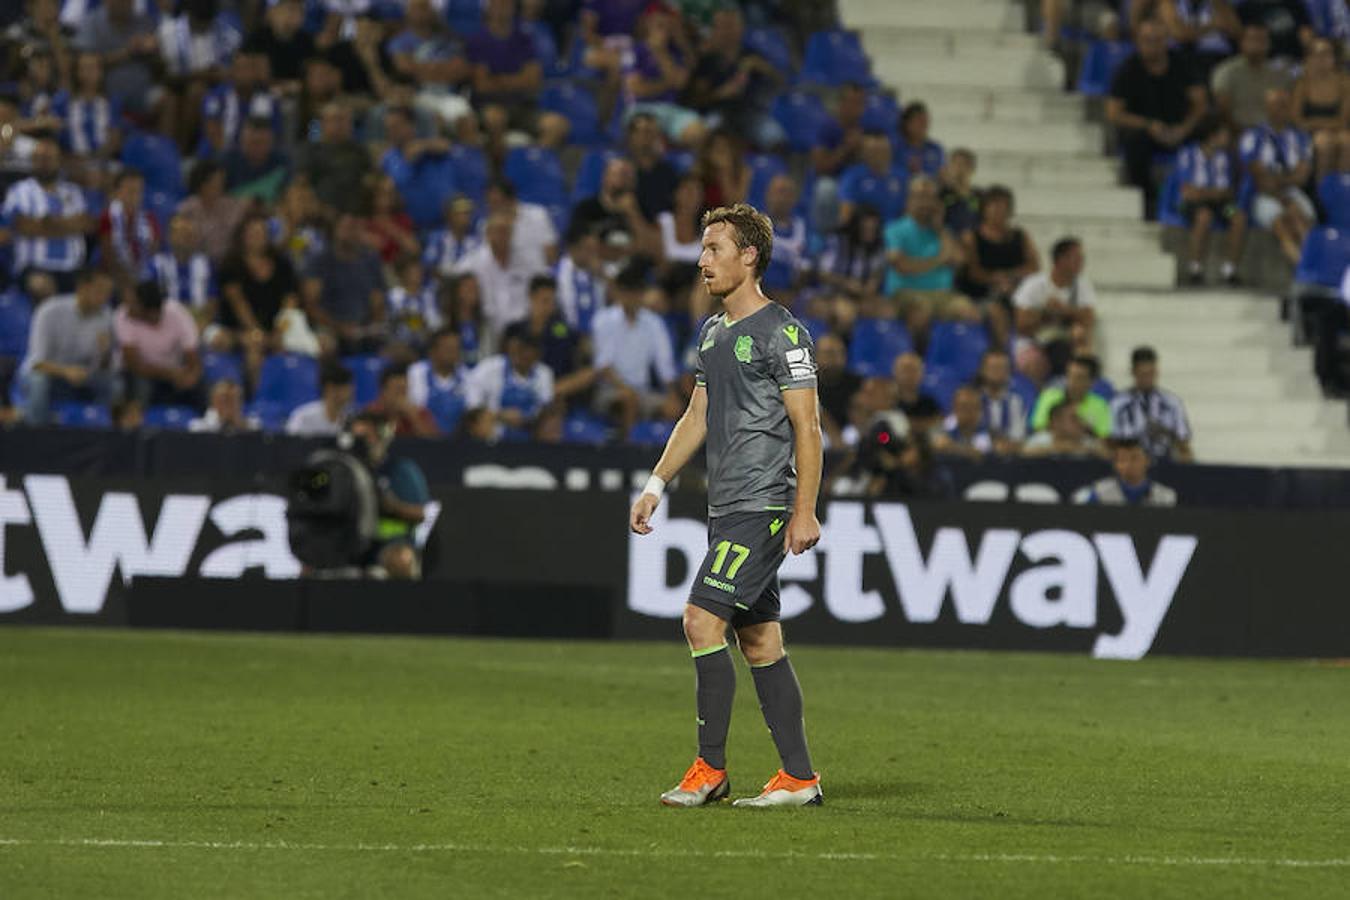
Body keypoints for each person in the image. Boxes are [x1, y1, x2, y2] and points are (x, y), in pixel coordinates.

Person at [630, 202, 823, 809]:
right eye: (702, 249)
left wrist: (805, 509)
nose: (703, 260)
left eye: (714, 248)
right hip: (726, 506)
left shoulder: (783, 332)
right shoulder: (714, 332)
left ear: (750, 256)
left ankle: (709, 770)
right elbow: (698, 415)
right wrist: (657, 483)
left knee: (699, 620)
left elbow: (808, 426)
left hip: (763, 505)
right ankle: (799, 778)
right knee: (761, 641)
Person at [1106, 19, 1209, 218]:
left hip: (1181, 127)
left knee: (1212, 132)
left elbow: (1201, 103)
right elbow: (1114, 113)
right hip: (1148, 132)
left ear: (1166, 42)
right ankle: (1147, 198)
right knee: (1134, 143)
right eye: (1146, 40)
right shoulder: (1128, 69)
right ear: (1137, 41)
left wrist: (1184, 129)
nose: (1151, 46)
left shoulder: (1183, 63)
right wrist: (1149, 125)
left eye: (1157, 40)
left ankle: (1209, 197)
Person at [19, 267, 117, 424]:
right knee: (38, 382)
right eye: (100, 291)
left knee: (114, 384)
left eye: (108, 293)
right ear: (82, 287)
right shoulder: (50, 310)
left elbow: (103, 368)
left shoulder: (106, 317)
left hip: (80, 374)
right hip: (47, 373)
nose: (104, 298)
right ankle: (36, 433)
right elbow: (36, 362)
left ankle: (99, 429)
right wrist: (66, 372)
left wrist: (105, 353)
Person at [883, 176, 977, 341]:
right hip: (907, 293)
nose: (925, 203)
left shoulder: (943, 232)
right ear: (909, 200)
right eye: (920, 197)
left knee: (970, 313)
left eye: (929, 198)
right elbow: (903, 267)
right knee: (921, 312)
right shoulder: (894, 229)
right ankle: (916, 359)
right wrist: (939, 259)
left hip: (942, 294)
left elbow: (959, 260)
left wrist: (941, 230)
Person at [591, 262, 681, 433]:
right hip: (609, 390)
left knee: (674, 408)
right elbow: (603, 367)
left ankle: (660, 456)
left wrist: (672, 394)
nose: (631, 296)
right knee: (628, 400)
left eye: (636, 291)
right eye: (627, 291)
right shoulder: (603, 320)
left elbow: (665, 366)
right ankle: (628, 452)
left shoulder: (654, 323)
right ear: (618, 292)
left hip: (642, 391)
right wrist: (626, 390)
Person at [2, 136, 94, 292]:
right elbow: (23, 226)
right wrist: (68, 226)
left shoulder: (73, 191)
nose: (44, 163)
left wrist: (45, 223)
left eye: (49, 158)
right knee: (41, 286)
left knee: (93, 290)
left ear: (59, 161)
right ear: (32, 160)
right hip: (35, 268)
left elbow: (86, 224)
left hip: (73, 268)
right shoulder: (19, 190)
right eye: (39, 158)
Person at [347, 410, 430, 580]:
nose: (361, 444)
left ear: (381, 438)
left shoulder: (401, 470)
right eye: (356, 438)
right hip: (350, 541)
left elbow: (423, 514)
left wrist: (392, 506)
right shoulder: (343, 471)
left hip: (390, 542)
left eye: (366, 438)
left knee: (400, 558)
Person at [1240, 87, 1315, 265]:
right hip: (1260, 196)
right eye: (1276, 105)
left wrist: (1278, 179)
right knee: (1283, 223)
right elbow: (1262, 180)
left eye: (1284, 105)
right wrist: (1288, 178)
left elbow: (1301, 177)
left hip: (1292, 192)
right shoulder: (1252, 136)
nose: (1280, 109)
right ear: (1266, 107)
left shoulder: (1301, 137)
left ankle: (1310, 267)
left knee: (1301, 219)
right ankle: (1302, 268)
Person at [956, 184, 1037, 346]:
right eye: (993, 205)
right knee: (996, 312)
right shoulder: (971, 237)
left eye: (1003, 206)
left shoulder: (1021, 236)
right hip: (981, 295)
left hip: (1015, 292)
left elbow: (1034, 266)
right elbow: (973, 272)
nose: (998, 210)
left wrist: (1010, 277)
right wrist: (995, 279)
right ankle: (1003, 356)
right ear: (984, 209)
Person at [303, 211, 388, 354]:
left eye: (353, 228)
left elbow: (378, 301)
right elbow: (311, 305)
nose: (349, 234)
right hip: (330, 326)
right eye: (345, 228)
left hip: (364, 327)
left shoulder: (370, 260)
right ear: (334, 230)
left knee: (391, 345)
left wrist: (370, 326)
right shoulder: (320, 262)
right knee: (326, 345)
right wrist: (339, 327)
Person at [1012, 237, 1097, 378]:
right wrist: (1045, 313)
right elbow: (1021, 325)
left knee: (1082, 350)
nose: (1081, 262)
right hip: (1033, 342)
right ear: (1060, 259)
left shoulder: (1083, 285)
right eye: (1076, 257)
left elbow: (1088, 318)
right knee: (1036, 364)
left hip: (1067, 340)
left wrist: (1064, 310)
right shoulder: (1033, 284)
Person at [1176, 119, 1248, 285]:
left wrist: (1206, 193)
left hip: (1221, 205)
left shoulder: (1227, 158)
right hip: (1190, 205)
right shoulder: (1188, 155)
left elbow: (1229, 191)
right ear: (1212, 137)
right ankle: (1195, 269)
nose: (1228, 139)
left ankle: (1230, 270)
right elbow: (1188, 193)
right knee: (1203, 216)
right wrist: (1211, 193)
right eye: (1224, 135)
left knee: (1238, 216)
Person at [114, 279, 204, 408]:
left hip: (177, 368)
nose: (130, 309)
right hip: (142, 372)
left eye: (135, 305)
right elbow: (133, 364)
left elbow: (192, 354)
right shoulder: (123, 316)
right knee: (141, 387)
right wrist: (170, 374)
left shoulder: (177, 313)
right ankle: (138, 425)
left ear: (151, 312)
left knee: (200, 384)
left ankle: (204, 424)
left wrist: (192, 376)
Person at [464, 328, 555, 440]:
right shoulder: (488, 368)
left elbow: (545, 407)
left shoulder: (544, 373)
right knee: (481, 420)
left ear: (537, 354)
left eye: (527, 350)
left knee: (551, 422)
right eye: (518, 349)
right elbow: (472, 408)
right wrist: (500, 415)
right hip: (494, 432)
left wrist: (526, 419)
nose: (522, 354)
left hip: (530, 430)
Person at [1111, 346, 1194, 462]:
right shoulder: (1118, 403)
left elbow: (1184, 444)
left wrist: (1166, 432)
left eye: (1151, 374)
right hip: (1129, 462)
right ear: (1133, 372)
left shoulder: (1172, 403)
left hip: (1164, 462)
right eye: (1143, 375)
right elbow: (1110, 442)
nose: (1147, 379)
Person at [571, 156, 662, 261]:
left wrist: (633, 213)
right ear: (605, 177)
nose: (623, 180)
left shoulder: (643, 209)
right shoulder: (586, 209)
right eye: (618, 174)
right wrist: (626, 251)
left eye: (628, 176)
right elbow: (578, 248)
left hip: (634, 270)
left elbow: (654, 249)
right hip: (597, 269)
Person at [1211, 24, 1290, 132]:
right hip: (1237, 131)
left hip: (1273, 133)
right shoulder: (1226, 71)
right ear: (1242, 43)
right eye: (1252, 39)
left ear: (1269, 44)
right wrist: (1238, 133)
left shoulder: (1280, 74)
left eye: (1262, 40)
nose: (1257, 44)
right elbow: (1223, 110)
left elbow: (1288, 108)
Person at [1293, 37, 1350, 177]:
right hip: (1308, 133)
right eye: (1317, 54)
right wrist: (1321, 127)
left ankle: (1343, 191)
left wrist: (1314, 122)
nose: (1322, 59)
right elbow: (1296, 120)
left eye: (1327, 54)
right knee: (1324, 143)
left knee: (1347, 142)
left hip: (1337, 130)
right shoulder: (1302, 84)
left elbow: (1343, 121)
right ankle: (1321, 192)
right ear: (1309, 58)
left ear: (1334, 58)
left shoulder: (1344, 82)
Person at [98, 169, 159, 284]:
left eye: (139, 191)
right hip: (115, 277)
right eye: (130, 191)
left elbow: (153, 252)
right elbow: (107, 255)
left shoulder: (149, 219)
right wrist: (126, 280)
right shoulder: (108, 217)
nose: (135, 195)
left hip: (142, 275)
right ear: (117, 192)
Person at [1077, 437, 1179, 506]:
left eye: (1134, 458)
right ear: (1115, 464)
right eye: (1122, 459)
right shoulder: (1099, 493)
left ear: (1147, 461)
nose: (1128, 465)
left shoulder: (1166, 496)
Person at [1030, 354, 1112, 438]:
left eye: (1079, 377)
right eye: (1069, 375)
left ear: (1092, 382)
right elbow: (1038, 429)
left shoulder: (1100, 404)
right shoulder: (1049, 396)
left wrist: (1083, 429)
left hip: (1086, 448)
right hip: (1051, 446)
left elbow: (1104, 437)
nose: (1072, 381)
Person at [407, 327, 470, 434]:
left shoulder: (467, 376)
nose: (453, 353)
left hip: (459, 441)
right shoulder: (417, 372)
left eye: (457, 348)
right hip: (423, 441)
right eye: (448, 349)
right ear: (433, 351)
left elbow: (472, 412)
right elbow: (415, 409)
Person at [836, 131, 907, 226]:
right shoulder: (852, 176)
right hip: (866, 232)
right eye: (874, 151)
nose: (880, 155)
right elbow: (846, 212)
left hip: (895, 231)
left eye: (884, 150)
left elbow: (909, 210)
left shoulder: (901, 176)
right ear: (864, 154)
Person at [974, 347, 1028, 452]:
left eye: (1002, 368)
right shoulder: (972, 400)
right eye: (993, 368)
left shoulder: (1016, 402)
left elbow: (1018, 437)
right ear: (982, 370)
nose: (997, 372)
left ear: (1009, 372)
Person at [364, 363, 439, 437]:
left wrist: (413, 417)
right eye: (397, 390)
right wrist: (393, 417)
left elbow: (434, 443)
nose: (401, 397)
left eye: (404, 391)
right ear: (383, 391)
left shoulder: (419, 413)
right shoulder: (371, 413)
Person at [1022, 398, 1108, 458]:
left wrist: (1085, 450)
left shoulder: (1087, 442)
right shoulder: (1039, 440)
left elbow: (1108, 455)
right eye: (1074, 418)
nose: (1081, 422)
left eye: (1080, 418)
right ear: (1056, 422)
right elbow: (1024, 453)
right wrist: (1059, 448)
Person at [286, 363, 354, 437]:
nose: (351, 391)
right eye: (347, 387)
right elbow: (290, 445)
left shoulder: (351, 417)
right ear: (330, 388)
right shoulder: (303, 417)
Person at [423, 195, 482, 279]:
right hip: (441, 286)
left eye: (467, 213)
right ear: (450, 216)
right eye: (461, 214)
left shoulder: (476, 241)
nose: (466, 217)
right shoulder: (437, 238)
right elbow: (429, 265)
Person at [933, 384, 993, 459]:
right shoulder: (941, 427)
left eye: (974, 407)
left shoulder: (990, 432)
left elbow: (979, 455)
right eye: (964, 407)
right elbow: (936, 445)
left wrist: (953, 447)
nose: (969, 412)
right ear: (954, 408)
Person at [890, 351, 943, 434]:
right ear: (895, 372)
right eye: (905, 370)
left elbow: (938, 426)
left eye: (914, 370)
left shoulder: (930, 404)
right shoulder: (887, 402)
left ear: (922, 374)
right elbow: (883, 436)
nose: (909, 375)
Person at [189, 379, 260, 433]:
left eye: (232, 400)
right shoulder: (199, 427)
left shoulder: (252, 426)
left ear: (240, 402)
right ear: (213, 401)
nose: (228, 405)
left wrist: (239, 425)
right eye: (224, 399)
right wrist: (222, 422)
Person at [896, 101, 944, 177]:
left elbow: (941, 173)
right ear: (907, 124)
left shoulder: (935, 149)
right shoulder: (896, 148)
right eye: (919, 121)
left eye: (925, 121)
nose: (924, 125)